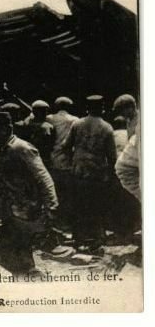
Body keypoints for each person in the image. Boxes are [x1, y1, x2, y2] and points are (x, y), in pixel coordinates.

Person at [0, 112, 58, 274]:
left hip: (26, 209)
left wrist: (51, 206)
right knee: (10, 255)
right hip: (9, 211)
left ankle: (30, 278)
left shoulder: (22, 148)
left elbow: (43, 177)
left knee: (9, 253)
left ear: (7, 128)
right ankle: (29, 277)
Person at [62, 95, 117, 252]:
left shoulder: (77, 124)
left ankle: (78, 238)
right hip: (97, 174)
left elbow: (65, 146)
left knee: (79, 205)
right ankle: (97, 239)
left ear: (87, 108)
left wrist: (77, 156)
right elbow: (112, 156)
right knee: (97, 206)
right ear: (102, 108)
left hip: (79, 171)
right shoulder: (107, 127)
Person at [45, 97, 79, 225]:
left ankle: (56, 219)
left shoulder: (49, 118)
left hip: (52, 158)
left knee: (54, 191)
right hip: (68, 159)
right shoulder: (75, 120)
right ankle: (67, 219)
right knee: (69, 192)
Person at [24, 100, 55, 167]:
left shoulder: (26, 123)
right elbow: (51, 144)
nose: (46, 113)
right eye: (44, 111)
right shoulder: (48, 127)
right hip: (42, 158)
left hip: (27, 156)